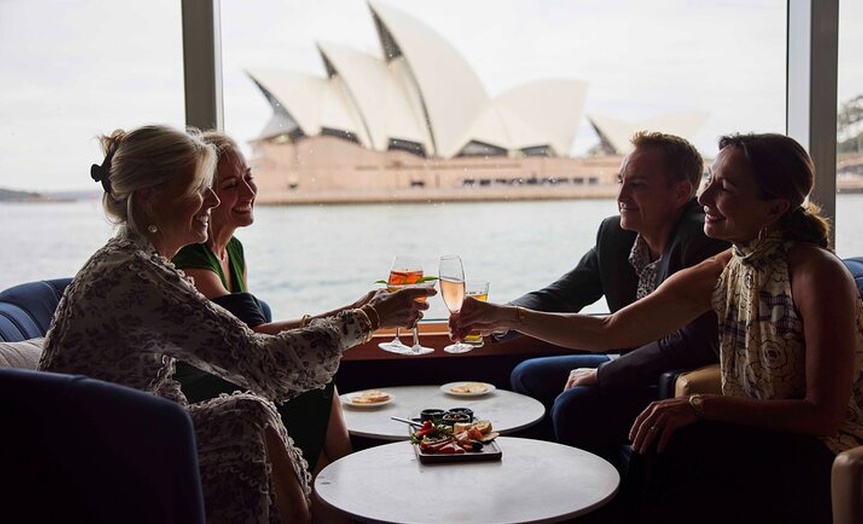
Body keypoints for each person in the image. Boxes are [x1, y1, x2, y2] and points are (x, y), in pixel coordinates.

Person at [452, 133, 863, 523]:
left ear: (775, 207)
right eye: (710, 180)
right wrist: (505, 315)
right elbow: (610, 331)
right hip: (754, 430)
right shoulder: (727, 266)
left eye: (724, 188)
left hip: (826, 449)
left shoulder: (819, 273)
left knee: (666, 444)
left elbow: (822, 416)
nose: (704, 195)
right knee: (661, 440)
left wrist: (699, 407)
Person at [38, 124, 435, 524]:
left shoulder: (136, 260)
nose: (212, 200)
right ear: (149, 199)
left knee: (249, 413)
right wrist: (369, 318)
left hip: (129, 433)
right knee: (251, 412)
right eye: (198, 188)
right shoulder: (135, 276)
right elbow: (260, 363)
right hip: (101, 458)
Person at [504, 131, 729, 463]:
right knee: (526, 374)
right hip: (632, 362)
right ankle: (552, 473)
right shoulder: (615, 234)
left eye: (637, 185)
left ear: (681, 192)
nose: (621, 195)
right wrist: (502, 317)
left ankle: (601, 495)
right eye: (621, 181)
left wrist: (604, 374)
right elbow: (564, 293)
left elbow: (690, 342)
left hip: (678, 375)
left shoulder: (703, 239)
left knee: (572, 406)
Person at [172, 130, 354, 479]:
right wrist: (358, 314)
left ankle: (339, 491)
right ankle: (345, 491)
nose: (249, 192)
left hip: (233, 372)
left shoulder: (233, 251)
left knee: (313, 376)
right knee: (312, 379)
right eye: (231, 186)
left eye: (249, 178)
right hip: (196, 389)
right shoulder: (191, 257)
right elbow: (251, 335)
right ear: (204, 196)